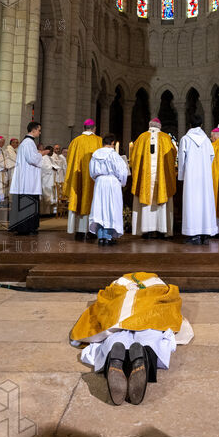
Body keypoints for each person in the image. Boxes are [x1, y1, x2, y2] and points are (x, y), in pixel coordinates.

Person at [70, 272, 194, 405]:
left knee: (118, 333)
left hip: (120, 309)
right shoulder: (159, 286)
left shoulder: (117, 286)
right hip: (148, 310)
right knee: (150, 330)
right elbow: (171, 303)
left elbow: (104, 303)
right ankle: (145, 355)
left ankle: (115, 356)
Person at [130, 118, 177, 239]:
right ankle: (162, 229)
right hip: (162, 178)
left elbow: (134, 158)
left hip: (145, 178)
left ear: (149, 125)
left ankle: (147, 230)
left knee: (146, 199)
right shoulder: (166, 138)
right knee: (162, 200)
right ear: (159, 126)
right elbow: (173, 155)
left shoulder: (141, 138)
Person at [178, 118, 217, 244]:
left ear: (190, 125)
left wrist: (182, 175)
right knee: (205, 203)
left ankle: (194, 235)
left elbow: (181, 159)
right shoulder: (207, 140)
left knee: (192, 204)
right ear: (201, 124)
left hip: (191, 177)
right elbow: (211, 156)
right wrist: (205, 169)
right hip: (205, 178)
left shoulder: (185, 139)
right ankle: (206, 234)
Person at [8, 122, 50, 235]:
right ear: (34, 130)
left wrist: (38, 153)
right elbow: (32, 159)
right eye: (39, 130)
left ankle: (27, 227)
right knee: (28, 202)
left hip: (27, 178)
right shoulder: (28, 143)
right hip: (28, 180)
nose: (40, 133)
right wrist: (42, 153)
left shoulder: (27, 142)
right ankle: (26, 228)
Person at [64, 119, 103, 240]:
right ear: (94, 128)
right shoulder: (99, 141)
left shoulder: (75, 141)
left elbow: (69, 160)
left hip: (78, 177)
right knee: (93, 200)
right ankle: (92, 231)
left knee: (79, 199)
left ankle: (79, 232)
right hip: (94, 180)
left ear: (84, 128)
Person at [88, 133, 129, 245]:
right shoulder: (114, 155)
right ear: (112, 143)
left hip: (100, 183)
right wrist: (122, 182)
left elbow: (92, 172)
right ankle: (108, 237)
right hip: (112, 183)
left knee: (100, 209)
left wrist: (98, 179)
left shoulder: (95, 155)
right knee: (111, 209)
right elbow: (122, 171)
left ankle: (101, 237)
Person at [40, 145, 57, 215]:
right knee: (46, 194)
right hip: (46, 179)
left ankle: (50, 211)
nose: (52, 153)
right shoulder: (43, 157)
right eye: (51, 151)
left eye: (52, 151)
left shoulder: (50, 158)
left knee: (51, 194)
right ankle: (44, 212)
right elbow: (43, 167)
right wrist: (51, 167)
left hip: (51, 179)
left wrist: (55, 167)